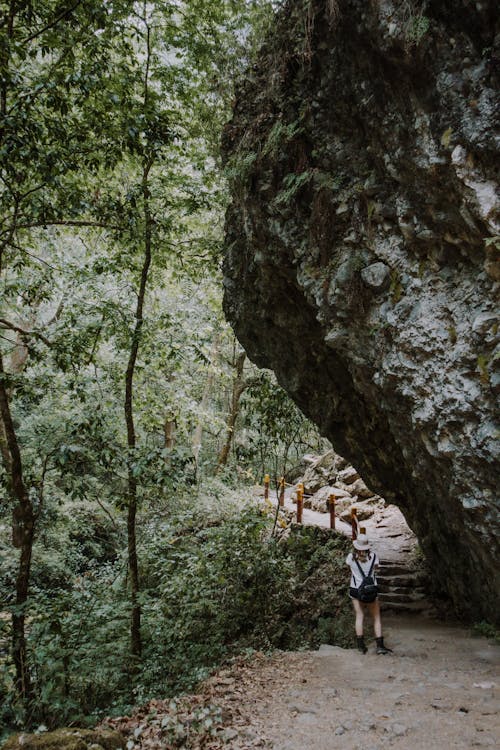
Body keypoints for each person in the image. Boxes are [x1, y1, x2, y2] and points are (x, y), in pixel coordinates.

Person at [346, 533, 392, 654]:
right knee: (376, 617)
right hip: (371, 590)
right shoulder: (374, 556)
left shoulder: (351, 557)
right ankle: (380, 646)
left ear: (356, 546)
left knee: (359, 616)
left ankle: (361, 647)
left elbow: (348, 566)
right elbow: (376, 568)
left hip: (356, 590)